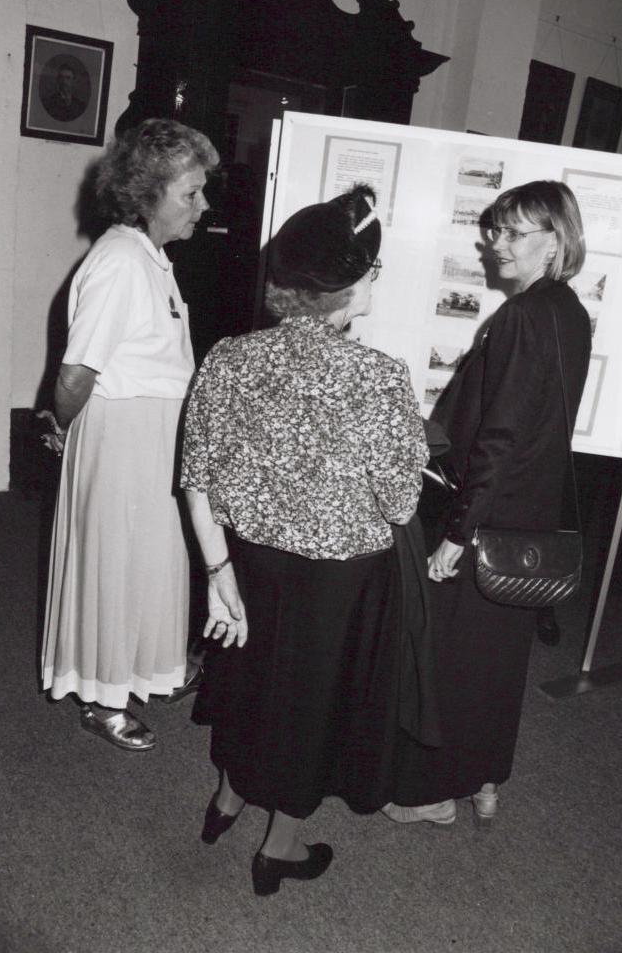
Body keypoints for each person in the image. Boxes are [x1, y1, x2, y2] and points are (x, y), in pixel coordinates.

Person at [180, 184, 431, 895]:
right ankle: (278, 850)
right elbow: (401, 500)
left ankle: (227, 800)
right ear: (350, 285)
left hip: (250, 568)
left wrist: (217, 572)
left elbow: (195, 479)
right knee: (312, 708)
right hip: (341, 584)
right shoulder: (379, 377)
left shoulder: (229, 357)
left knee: (248, 685)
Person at [383, 179, 591, 827]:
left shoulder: (521, 317)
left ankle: (432, 794)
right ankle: (485, 782)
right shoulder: (568, 312)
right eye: (494, 229)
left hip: (486, 517)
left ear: (553, 241)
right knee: (497, 663)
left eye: (511, 231)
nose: (493, 242)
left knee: (450, 658)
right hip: (525, 519)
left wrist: (454, 534)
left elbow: (497, 438)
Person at [40, 118, 220, 750]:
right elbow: (75, 372)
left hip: (154, 433)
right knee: (112, 563)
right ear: (147, 196)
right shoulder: (119, 261)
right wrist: (64, 429)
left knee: (150, 561)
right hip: (121, 435)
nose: (204, 205)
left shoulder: (152, 259)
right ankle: (99, 697)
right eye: (191, 194)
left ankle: (147, 670)